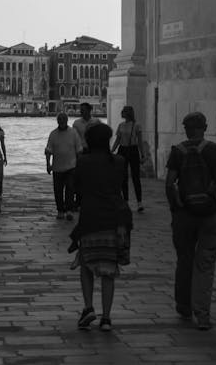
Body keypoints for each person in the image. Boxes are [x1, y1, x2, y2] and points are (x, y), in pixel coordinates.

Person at [165, 111, 216, 330]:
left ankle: (183, 306)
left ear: (186, 129)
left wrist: (175, 209)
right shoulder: (215, 150)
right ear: (205, 128)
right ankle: (203, 313)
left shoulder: (178, 152)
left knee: (184, 260)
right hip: (209, 214)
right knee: (205, 265)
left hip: (184, 215)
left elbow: (169, 184)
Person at [72, 122, 132, 332]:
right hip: (113, 221)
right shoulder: (119, 161)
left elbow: (75, 187)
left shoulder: (83, 162)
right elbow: (121, 188)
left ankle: (89, 307)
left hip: (90, 220)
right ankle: (106, 318)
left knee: (86, 265)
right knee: (108, 270)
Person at [45, 112, 82, 220]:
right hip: (57, 167)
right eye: (59, 119)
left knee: (70, 189)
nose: (61, 121)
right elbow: (48, 151)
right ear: (57, 121)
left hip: (71, 166)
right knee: (58, 190)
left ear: (66, 120)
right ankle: (60, 210)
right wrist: (48, 164)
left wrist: (79, 165)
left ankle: (69, 210)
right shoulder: (53, 134)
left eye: (63, 119)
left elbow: (79, 150)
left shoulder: (73, 133)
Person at [111, 105, 145, 212]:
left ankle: (139, 202)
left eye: (124, 111)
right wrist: (111, 151)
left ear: (128, 113)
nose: (121, 112)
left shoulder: (136, 125)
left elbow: (140, 141)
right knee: (123, 177)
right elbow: (117, 140)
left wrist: (142, 154)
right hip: (122, 150)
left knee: (136, 177)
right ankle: (125, 201)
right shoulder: (121, 125)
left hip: (133, 150)